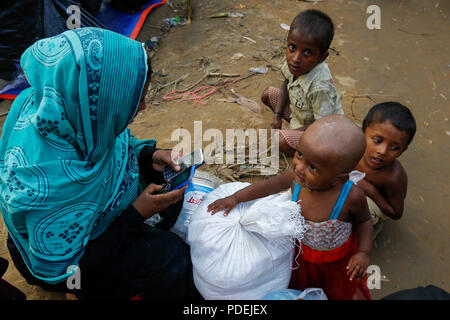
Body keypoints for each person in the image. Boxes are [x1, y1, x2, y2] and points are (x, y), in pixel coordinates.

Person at [0, 27, 201, 300]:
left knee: (165, 185)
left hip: (79, 225)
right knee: (168, 256)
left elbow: (115, 146)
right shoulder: (47, 181)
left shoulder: (63, 106)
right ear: (100, 99)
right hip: (65, 265)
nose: (141, 108)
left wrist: (148, 156)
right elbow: (72, 268)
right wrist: (137, 213)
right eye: (136, 99)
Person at [207, 115, 373, 300]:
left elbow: (364, 221)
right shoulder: (294, 179)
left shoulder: (350, 196)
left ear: (339, 178)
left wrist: (363, 253)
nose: (300, 167)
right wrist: (236, 198)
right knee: (300, 289)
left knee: (337, 293)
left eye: (313, 167)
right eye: (300, 154)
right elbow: (267, 186)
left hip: (337, 264)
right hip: (300, 258)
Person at [261, 9, 343, 157]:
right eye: (292, 47)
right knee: (267, 94)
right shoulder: (294, 65)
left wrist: (289, 133)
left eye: (307, 53)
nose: (296, 58)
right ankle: (292, 136)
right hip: (299, 115)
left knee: (280, 141)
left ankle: (303, 153)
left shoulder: (320, 87)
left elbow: (322, 126)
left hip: (321, 131)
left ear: (322, 57)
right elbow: (286, 84)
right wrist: (277, 116)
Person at [355, 102, 416, 239]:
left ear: (403, 150)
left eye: (395, 148)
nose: (382, 151)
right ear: (363, 131)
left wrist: (369, 189)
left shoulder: (392, 177)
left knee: (355, 210)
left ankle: (371, 227)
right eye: (377, 140)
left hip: (376, 201)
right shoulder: (354, 142)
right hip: (355, 185)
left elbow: (396, 212)